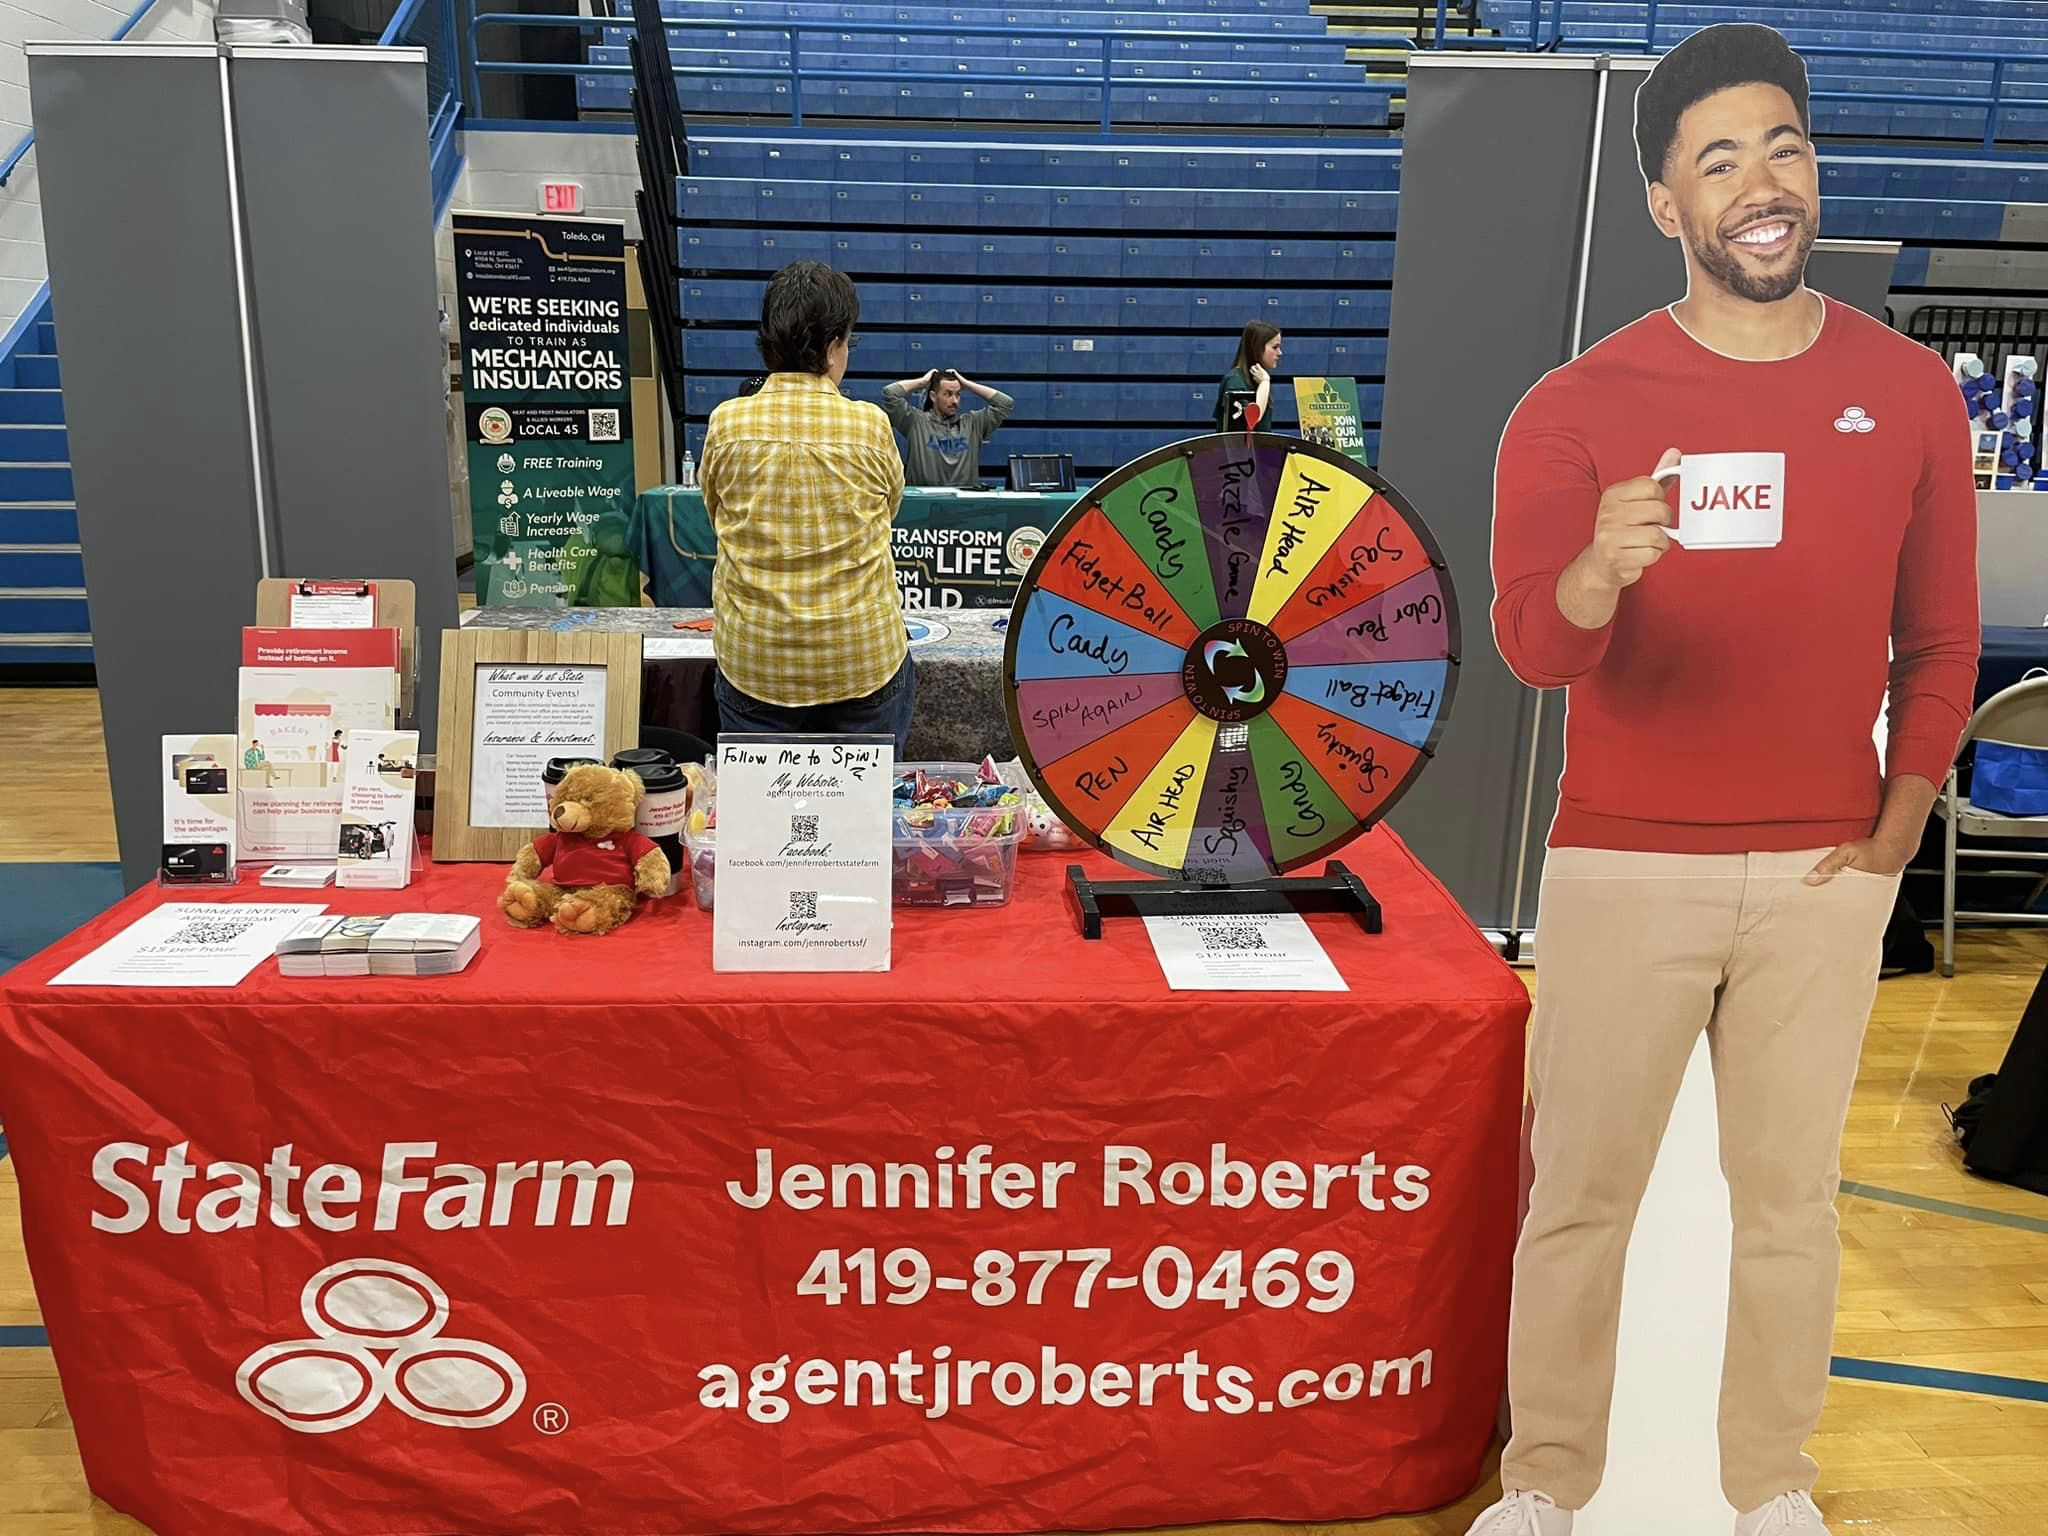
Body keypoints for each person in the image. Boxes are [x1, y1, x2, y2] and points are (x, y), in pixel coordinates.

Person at [1473, 25, 1977, 1536]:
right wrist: (1589, 577)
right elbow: (1528, 651)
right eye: (1720, 160)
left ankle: (1772, 1488)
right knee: (1578, 1203)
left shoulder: (1907, 393)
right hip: (1626, 866)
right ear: (1665, 207)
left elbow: (1940, 635)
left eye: (1785, 148)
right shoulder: (1574, 406)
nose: (1762, 184)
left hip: (1825, 875)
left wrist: (1899, 820)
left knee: (1790, 1211)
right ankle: (1547, 1482)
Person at [700, 261, 913, 752]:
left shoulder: (727, 423)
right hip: (862, 659)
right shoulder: (871, 426)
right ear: (835, 344)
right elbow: (889, 512)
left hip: (756, 662)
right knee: (863, 819)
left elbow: (717, 516)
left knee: (764, 819)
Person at [881, 368, 1013, 487]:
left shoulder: (973, 424)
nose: (955, 401)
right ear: (933, 396)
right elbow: (890, 393)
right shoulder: (915, 421)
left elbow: (1005, 403)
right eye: (948, 394)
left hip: (964, 507)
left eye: (958, 394)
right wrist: (922, 382)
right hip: (923, 505)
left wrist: (967, 384)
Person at [1214, 321, 1281, 431]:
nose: (1279, 353)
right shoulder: (1235, 382)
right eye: (1275, 347)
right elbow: (1252, 419)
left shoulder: (1256, 381)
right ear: (1257, 348)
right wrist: (1265, 382)